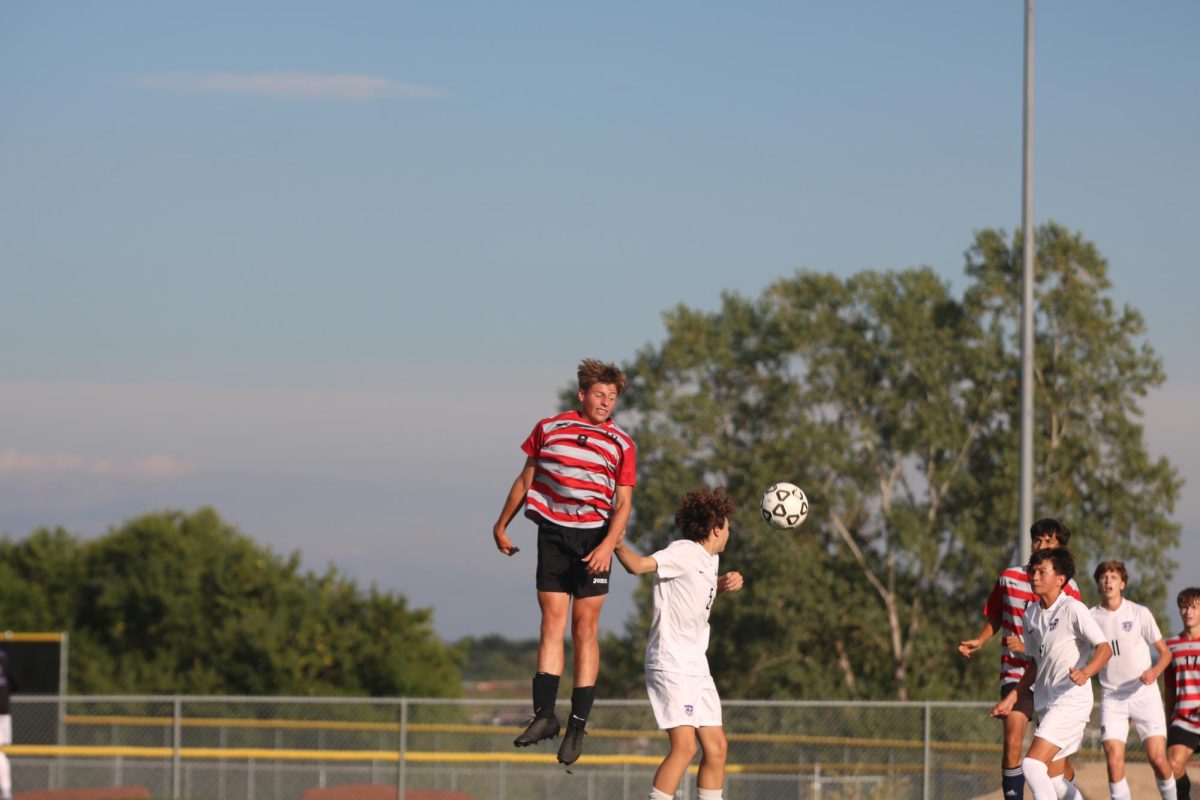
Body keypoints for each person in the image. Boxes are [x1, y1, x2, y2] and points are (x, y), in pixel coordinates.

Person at [492, 358, 636, 766]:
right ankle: (544, 715)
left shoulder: (622, 444)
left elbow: (624, 502)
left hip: (594, 538)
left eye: (612, 397)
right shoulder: (548, 429)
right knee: (551, 622)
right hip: (552, 533)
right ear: (582, 394)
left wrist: (609, 544)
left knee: (584, 627)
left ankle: (576, 725)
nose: (606, 402)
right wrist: (502, 524)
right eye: (599, 394)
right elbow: (526, 479)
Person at [612, 486, 743, 800]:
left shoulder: (709, 561)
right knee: (684, 748)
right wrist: (616, 544)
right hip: (670, 661)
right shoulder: (683, 550)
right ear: (716, 528)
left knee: (717, 748)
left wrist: (719, 585)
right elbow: (639, 566)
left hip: (696, 664)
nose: (729, 531)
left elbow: (692, 591)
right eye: (727, 525)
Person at [959, 518, 1083, 798]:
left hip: (1053, 677)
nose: (1041, 546)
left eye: (1049, 542)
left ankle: (1072, 792)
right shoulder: (1010, 577)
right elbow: (995, 614)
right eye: (1037, 540)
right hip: (1015, 674)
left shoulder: (1070, 589)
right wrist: (980, 640)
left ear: (1060, 549)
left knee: (1054, 762)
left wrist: (1029, 647)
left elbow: (1070, 636)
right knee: (1013, 740)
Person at [992, 547, 1112, 800]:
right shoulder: (1031, 615)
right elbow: (1036, 663)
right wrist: (1013, 697)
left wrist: (1086, 671)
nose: (1034, 576)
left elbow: (1104, 648)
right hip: (1045, 703)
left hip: (1070, 701)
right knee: (1055, 779)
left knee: (1032, 765)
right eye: (1032, 570)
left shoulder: (1073, 609)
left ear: (1060, 579)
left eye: (1042, 571)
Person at [1089, 561, 1176, 799]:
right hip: (1112, 697)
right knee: (1114, 762)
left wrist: (1155, 671)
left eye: (1114, 577)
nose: (1108, 581)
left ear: (1123, 584)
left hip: (1143, 694)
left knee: (1158, 759)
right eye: (1104, 577)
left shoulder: (1139, 613)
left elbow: (1165, 653)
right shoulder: (1089, 617)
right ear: (1098, 583)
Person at [1165, 587, 1200, 800]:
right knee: (1173, 764)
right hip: (1183, 719)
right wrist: (1168, 722)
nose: (1188, 612)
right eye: (1184, 607)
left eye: (1194, 607)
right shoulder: (1170, 646)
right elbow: (1169, 689)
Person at [0, 650, 13, 800]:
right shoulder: (4, 658)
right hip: (5, 711)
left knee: (1, 753)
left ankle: (6, 791)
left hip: (3, 713)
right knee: (2, 753)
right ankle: (6, 791)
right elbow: (15, 683)